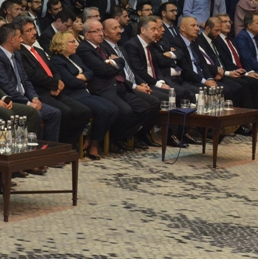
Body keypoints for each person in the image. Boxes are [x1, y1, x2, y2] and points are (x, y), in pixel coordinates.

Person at [78, 19, 160, 150]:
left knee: (144, 107)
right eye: (97, 31)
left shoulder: (102, 47)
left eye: (101, 30)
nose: (101, 34)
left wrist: (115, 62)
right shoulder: (84, 49)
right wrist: (115, 63)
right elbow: (104, 70)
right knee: (125, 111)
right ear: (87, 35)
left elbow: (120, 64)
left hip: (118, 86)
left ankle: (120, 137)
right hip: (102, 89)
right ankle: (110, 140)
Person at [16, 18, 91, 148]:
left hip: (55, 90)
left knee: (84, 111)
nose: (34, 32)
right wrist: (54, 84)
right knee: (65, 112)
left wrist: (58, 82)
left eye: (34, 29)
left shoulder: (38, 51)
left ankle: (66, 145)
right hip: (41, 92)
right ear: (20, 36)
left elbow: (53, 69)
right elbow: (33, 76)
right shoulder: (20, 53)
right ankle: (53, 148)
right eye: (29, 30)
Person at [48, 32, 117, 159]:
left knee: (113, 109)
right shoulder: (57, 60)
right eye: (72, 42)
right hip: (72, 95)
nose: (76, 44)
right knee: (102, 111)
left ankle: (91, 139)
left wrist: (82, 78)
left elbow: (90, 73)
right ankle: (94, 145)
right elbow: (70, 82)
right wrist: (83, 80)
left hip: (85, 92)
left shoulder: (74, 57)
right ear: (62, 44)